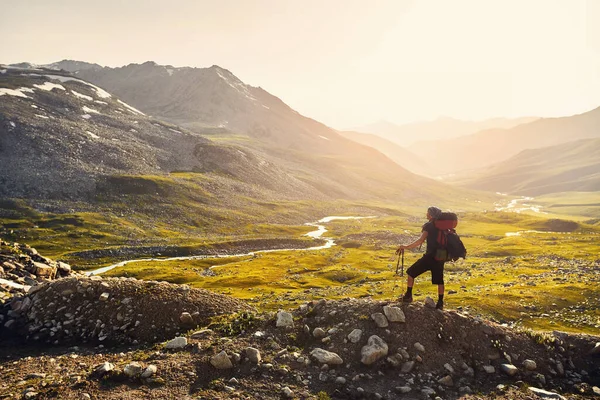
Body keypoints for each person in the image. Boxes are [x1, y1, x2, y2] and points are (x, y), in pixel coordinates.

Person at [396, 206, 445, 310]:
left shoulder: (429, 226)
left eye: (427, 213)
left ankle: (408, 296)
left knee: (410, 272)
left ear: (430, 215)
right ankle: (440, 303)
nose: (426, 214)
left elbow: (420, 240)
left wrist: (406, 247)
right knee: (440, 281)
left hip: (429, 257)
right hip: (440, 257)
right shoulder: (443, 227)